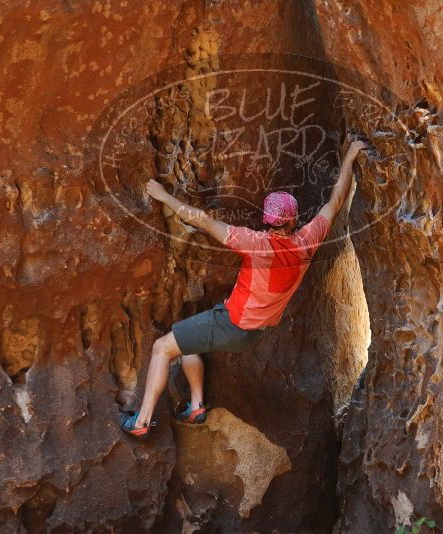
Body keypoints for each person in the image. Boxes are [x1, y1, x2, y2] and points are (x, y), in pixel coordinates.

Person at [119, 139, 369, 437]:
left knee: (162, 348)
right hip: (252, 333)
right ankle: (197, 406)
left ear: (267, 220)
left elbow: (203, 220)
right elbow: (335, 201)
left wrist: (163, 196)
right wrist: (350, 156)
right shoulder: (307, 243)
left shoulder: (256, 244)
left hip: (232, 323)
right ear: (294, 220)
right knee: (187, 340)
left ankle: (140, 423)